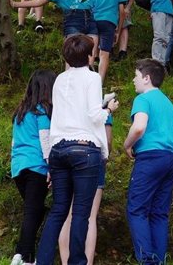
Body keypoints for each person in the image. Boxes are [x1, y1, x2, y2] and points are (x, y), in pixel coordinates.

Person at [36, 35, 117, 265]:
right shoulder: (92, 78)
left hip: (58, 149)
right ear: (90, 56)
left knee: (59, 210)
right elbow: (94, 115)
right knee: (81, 213)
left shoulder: (60, 79)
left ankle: (42, 260)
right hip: (84, 150)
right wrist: (109, 109)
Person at [124, 59, 173, 265]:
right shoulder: (169, 104)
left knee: (136, 209)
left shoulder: (143, 99)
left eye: (136, 76)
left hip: (150, 158)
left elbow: (139, 127)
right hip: (171, 158)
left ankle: (147, 260)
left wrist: (127, 145)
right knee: (159, 213)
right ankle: (159, 259)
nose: (133, 80)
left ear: (146, 78)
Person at [10, 70, 57, 265]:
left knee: (36, 210)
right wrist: (51, 167)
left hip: (18, 167)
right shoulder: (41, 111)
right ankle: (25, 256)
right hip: (36, 166)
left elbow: (13, 143)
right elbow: (45, 140)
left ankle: (21, 252)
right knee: (32, 211)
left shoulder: (20, 112)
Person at [58, 113, 115, 265]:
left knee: (68, 216)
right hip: (93, 160)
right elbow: (107, 142)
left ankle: (66, 262)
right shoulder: (101, 107)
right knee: (89, 217)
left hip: (65, 158)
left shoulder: (67, 100)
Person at [11, 0, 98, 64]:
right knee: (72, 55)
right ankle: (70, 77)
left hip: (90, 18)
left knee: (90, 56)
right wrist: (14, 4)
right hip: (73, 19)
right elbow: (38, 2)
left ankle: (90, 75)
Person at [87, 0, 127, 81]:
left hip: (94, 21)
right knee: (104, 54)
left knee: (91, 51)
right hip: (109, 22)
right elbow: (122, 12)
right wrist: (118, 30)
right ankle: (99, 82)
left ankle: (88, 77)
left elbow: (88, 8)